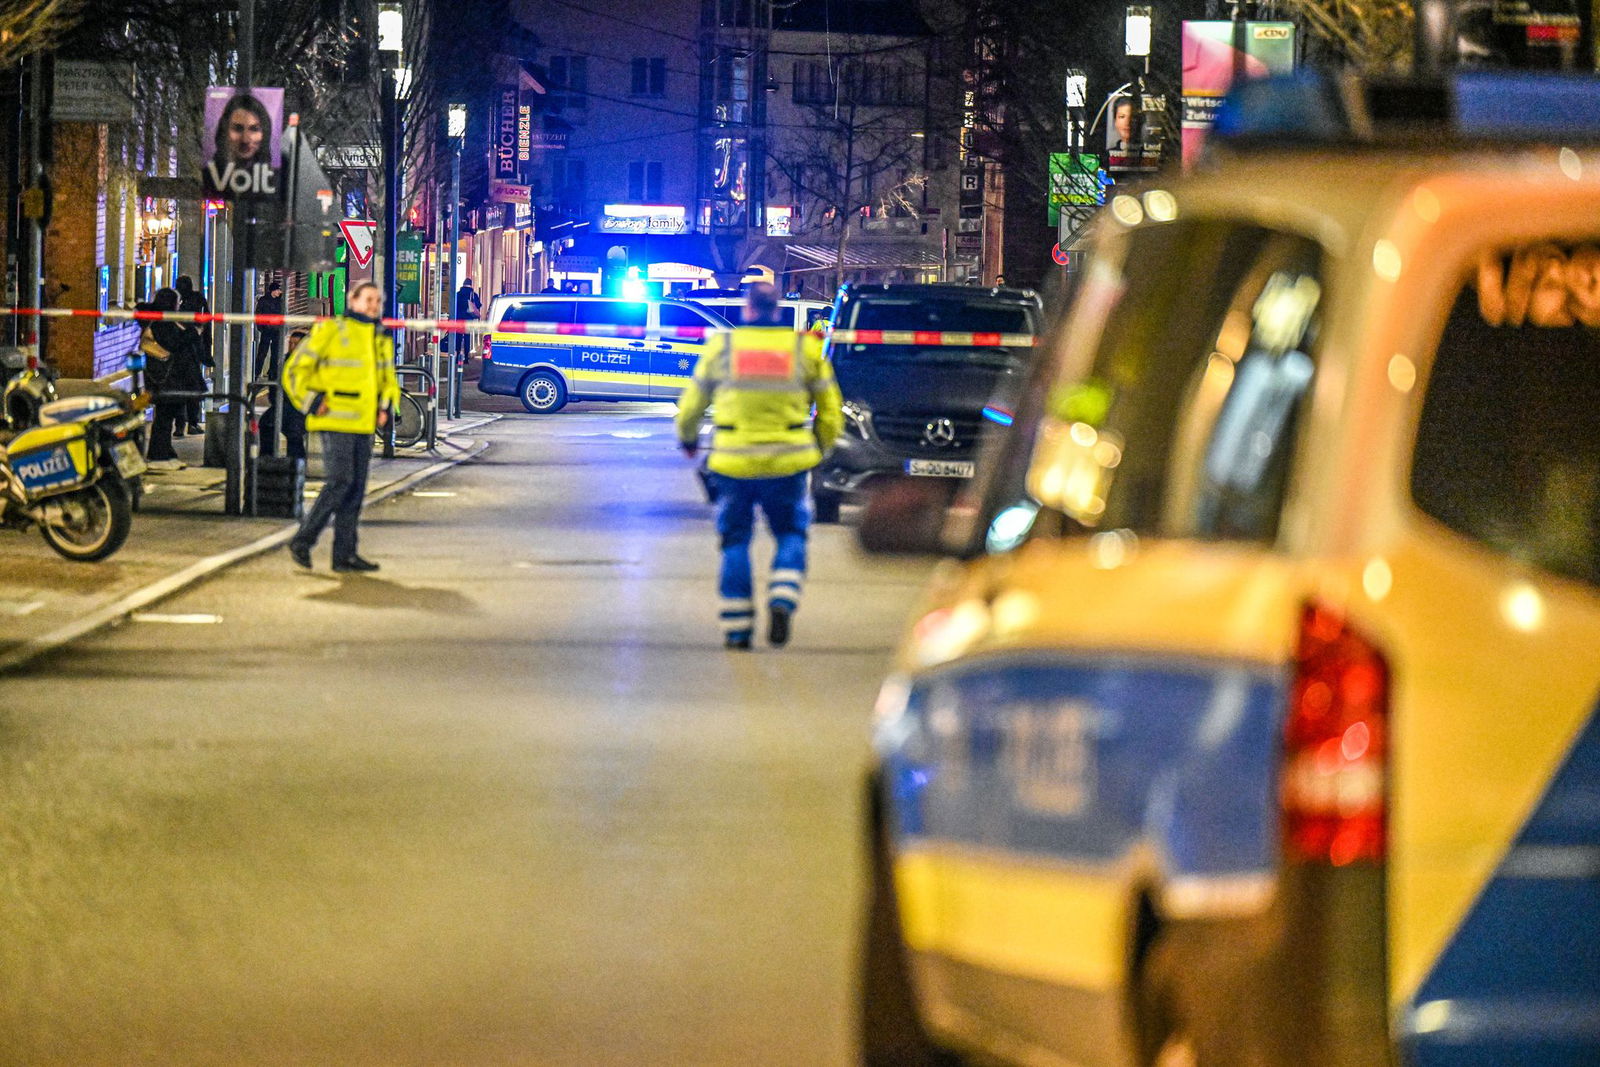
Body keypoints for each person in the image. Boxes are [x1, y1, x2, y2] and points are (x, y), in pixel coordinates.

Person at [674, 282, 843, 649]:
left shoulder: (723, 347)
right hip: (789, 459)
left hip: (732, 462)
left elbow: (691, 407)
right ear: (778, 311)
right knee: (790, 534)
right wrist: (820, 447)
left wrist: (688, 440)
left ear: (748, 310)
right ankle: (782, 598)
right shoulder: (805, 349)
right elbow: (830, 411)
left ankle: (737, 629)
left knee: (735, 540)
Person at [282, 281, 400, 573]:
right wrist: (311, 401)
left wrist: (385, 407)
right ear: (353, 300)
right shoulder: (331, 330)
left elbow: (386, 378)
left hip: (364, 422)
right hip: (335, 418)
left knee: (356, 489)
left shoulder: (379, 337)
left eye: (378, 300)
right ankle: (303, 539)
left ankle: (344, 555)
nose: (373, 305)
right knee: (341, 482)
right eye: (368, 299)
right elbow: (295, 370)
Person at [142, 287, 208, 470]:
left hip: (172, 378)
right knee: (164, 417)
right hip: (168, 379)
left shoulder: (163, 321)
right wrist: (194, 333)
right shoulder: (162, 323)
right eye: (177, 303)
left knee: (167, 416)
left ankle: (164, 451)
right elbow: (174, 344)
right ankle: (159, 454)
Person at [173, 275, 213, 435]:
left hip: (177, 354)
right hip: (193, 352)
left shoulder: (175, 301)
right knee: (193, 390)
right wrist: (206, 350)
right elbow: (206, 324)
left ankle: (180, 425)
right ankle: (192, 423)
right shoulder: (198, 300)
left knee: (180, 391)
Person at [212, 93, 272, 169]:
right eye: (237, 129)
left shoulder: (273, 176)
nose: (245, 140)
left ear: (265, 133)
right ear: (224, 131)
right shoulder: (206, 174)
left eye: (254, 129)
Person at [253, 278, 284, 380]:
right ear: (273, 290)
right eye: (278, 290)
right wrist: (261, 327)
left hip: (277, 331)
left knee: (275, 354)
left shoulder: (280, 301)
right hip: (266, 330)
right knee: (262, 353)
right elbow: (258, 314)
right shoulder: (263, 300)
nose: (280, 292)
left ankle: (272, 373)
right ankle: (257, 373)